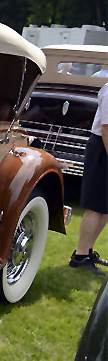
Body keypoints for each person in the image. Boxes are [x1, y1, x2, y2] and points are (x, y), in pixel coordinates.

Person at [69, 80, 108, 275]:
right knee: (95, 205)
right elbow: (107, 128)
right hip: (102, 148)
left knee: (105, 207)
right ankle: (80, 256)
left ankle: (88, 250)